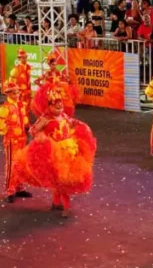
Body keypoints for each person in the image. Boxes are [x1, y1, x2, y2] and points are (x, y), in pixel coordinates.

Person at [14, 90, 96, 218]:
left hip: (68, 150)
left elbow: (72, 122)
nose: (59, 108)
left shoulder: (63, 116)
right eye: (56, 106)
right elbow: (33, 130)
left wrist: (83, 126)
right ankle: (66, 207)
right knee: (58, 180)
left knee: (61, 179)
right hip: (53, 152)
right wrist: (40, 135)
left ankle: (56, 203)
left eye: (61, 105)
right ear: (49, 106)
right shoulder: (45, 119)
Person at [0, 80, 32, 203]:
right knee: (11, 165)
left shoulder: (20, 105)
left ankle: (20, 187)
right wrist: (7, 131)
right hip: (11, 141)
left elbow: (24, 121)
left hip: (22, 139)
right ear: (8, 94)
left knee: (21, 163)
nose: (16, 95)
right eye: (13, 93)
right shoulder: (5, 108)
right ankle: (10, 190)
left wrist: (27, 128)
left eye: (17, 92)